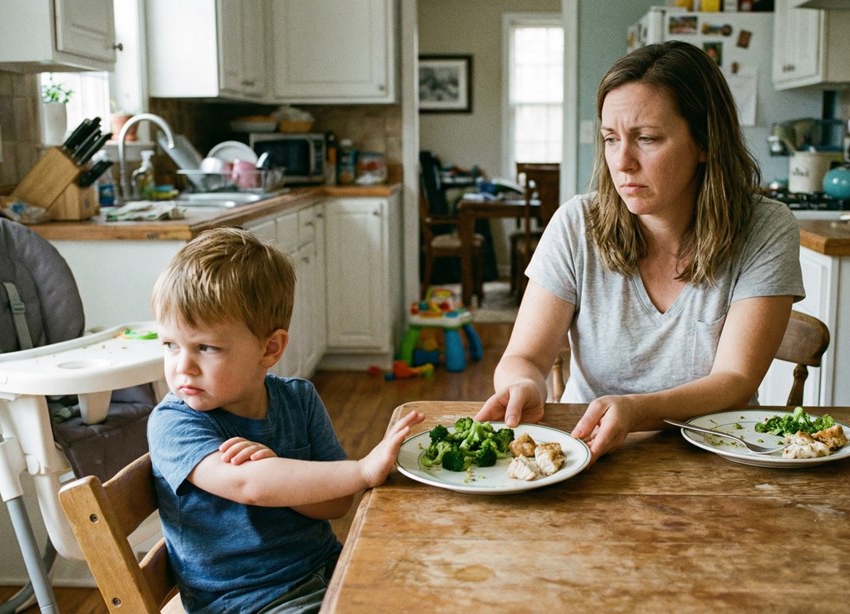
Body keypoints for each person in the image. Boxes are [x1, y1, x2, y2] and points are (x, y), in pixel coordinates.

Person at [476, 40, 804, 460]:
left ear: (706, 143)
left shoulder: (765, 227)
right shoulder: (577, 224)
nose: (622, 162)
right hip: (589, 452)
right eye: (611, 139)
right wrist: (522, 383)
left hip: (722, 455)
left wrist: (638, 411)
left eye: (646, 138)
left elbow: (736, 378)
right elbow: (524, 356)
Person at [147, 227, 424, 613]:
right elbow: (248, 484)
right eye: (170, 345)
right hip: (246, 601)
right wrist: (361, 471)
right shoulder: (174, 423)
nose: (183, 367)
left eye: (205, 347)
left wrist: (281, 468)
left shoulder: (298, 399)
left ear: (270, 348)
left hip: (325, 569)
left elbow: (336, 504)